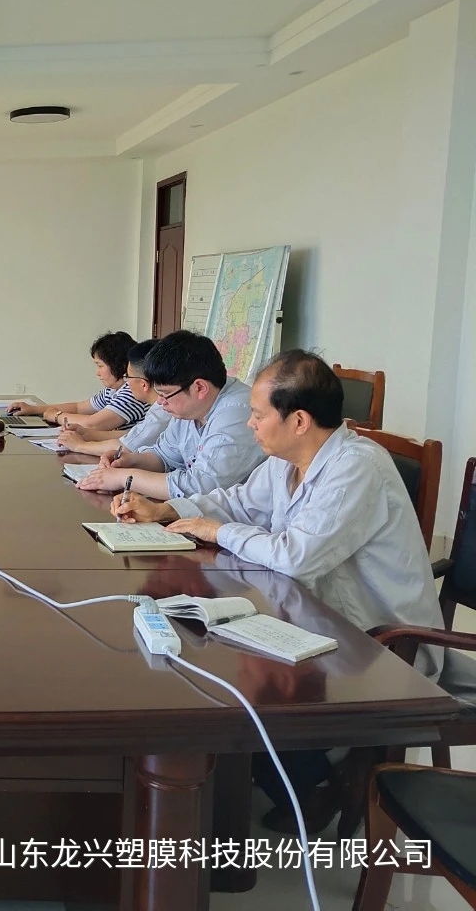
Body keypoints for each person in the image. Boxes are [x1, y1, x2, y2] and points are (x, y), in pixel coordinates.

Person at [112, 350, 444, 832]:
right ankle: (297, 774)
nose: (249, 423)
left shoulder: (357, 467)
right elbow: (238, 502)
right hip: (318, 612)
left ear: (299, 421)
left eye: (258, 414)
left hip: (382, 640)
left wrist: (215, 530)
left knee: (238, 670)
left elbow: (296, 556)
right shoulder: (286, 460)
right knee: (212, 645)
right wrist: (167, 510)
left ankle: (316, 779)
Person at [76, 330, 262, 498]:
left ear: (199, 388)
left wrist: (123, 478)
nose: (159, 402)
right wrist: (131, 461)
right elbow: (164, 454)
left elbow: (200, 486)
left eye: (165, 394)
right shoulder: (190, 407)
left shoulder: (237, 413)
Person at [7, 331, 147, 430]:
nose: (97, 373)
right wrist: (33, 409)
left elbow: (93, 424)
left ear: (118, 365)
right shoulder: (113, 390)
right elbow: (79, 408)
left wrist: (56, 416)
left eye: (100, 366)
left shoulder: (132, 391)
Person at [58, 339, 170, 456]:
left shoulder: (163, 412)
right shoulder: (158, 408)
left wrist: (79, 446)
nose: (126, 382)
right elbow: (133, 435)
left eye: (128, 377)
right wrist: (87, 434)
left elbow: (125, 448)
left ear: (143, 384)